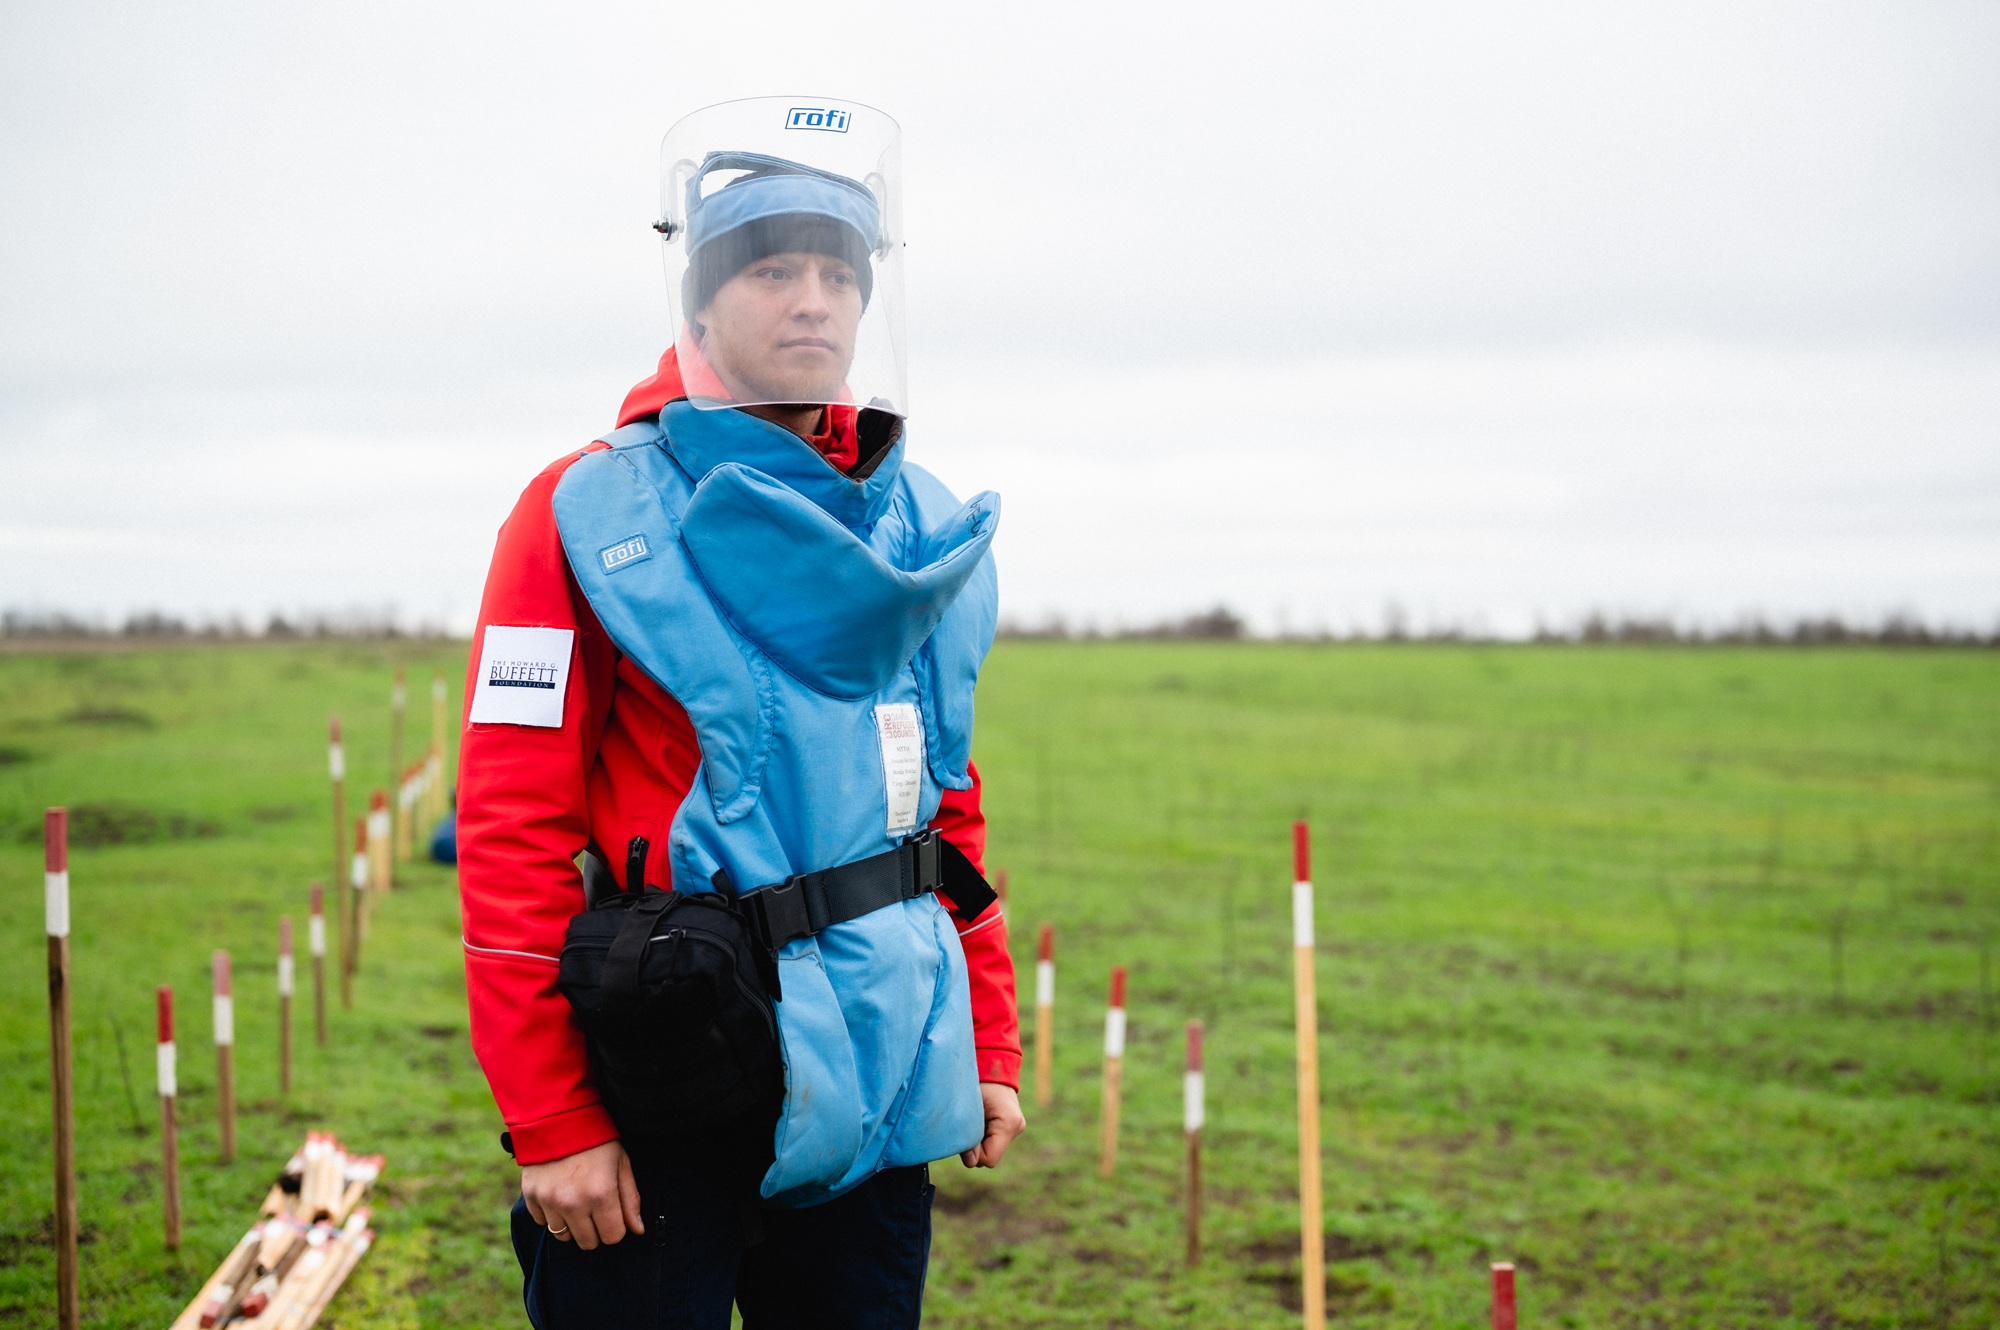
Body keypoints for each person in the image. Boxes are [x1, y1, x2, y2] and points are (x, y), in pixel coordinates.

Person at [456, 97, 1023, 1330]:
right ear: (700, 302)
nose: (813, 298)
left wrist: (983, 1038)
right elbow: (507, 830)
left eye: (837, 271)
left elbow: (942, 808)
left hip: (879, 1058)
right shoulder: (582, 514)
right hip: (668, 1064)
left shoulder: (915, 526)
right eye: (772, 268)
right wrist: (552, 1118)